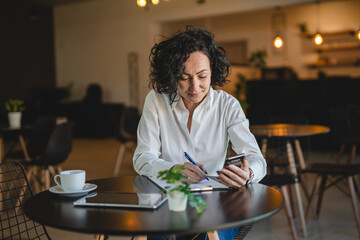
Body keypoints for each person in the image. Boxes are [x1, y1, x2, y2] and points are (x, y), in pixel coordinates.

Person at [133, 27, 266, 240]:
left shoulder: (227, 105)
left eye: (202, 76)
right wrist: (174, 170)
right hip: (168, 202)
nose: (195, 87)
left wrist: (248, 174)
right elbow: (142, 158)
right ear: (171, 74)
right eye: (184, 77)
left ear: (212, 69)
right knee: (156, 234)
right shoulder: (157, 100)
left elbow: (256, 159)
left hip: (214, 205)